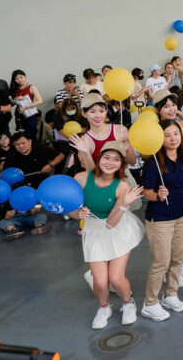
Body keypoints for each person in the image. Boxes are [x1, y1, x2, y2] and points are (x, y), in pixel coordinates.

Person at [70, 141, 145, 329]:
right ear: (99, 159)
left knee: (116, 279)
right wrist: (76, 214)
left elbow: (111, 224)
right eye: (106, 157)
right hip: (93, 231)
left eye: (116, 159)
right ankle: (104, 307)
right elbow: (70, 207)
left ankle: (128, 303)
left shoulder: (122, 187)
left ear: (121, 165)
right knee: (101, 282)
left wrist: (124, 204)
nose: (110, 162)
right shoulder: (80, 178)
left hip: (117, 229)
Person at [139, 119, 183, 321]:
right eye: (167, 135)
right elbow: (145, 192)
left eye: (176, 133)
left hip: (179, 214)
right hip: (160, 218)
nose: (173, 138)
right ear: (160, 138)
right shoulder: (154, 163)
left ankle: (171, 295)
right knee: (161, 262)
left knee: (177, 259)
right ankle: (150, 303)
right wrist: (158, 195)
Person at [70, 93, 136, 170]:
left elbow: (133, 162)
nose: (98, 115)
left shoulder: (120, 130)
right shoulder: (84, 141)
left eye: (101, 111)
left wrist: (123, 151)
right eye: (92, 111)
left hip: (123, 179)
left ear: (106, 111)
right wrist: (86, 153)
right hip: (100, 181)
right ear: (84, 114)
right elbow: (90, 174)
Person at [9, 70, 43, 138]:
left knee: (31, 134)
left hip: (30, 113)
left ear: (25, 76)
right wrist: (16, 98)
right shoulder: (14, 88)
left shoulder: (31, 87)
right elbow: (12, 104)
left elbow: (40, 101)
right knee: (21, 134)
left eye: (21, 77)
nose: (19, 80)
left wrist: (26, 107)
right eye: (16, 78)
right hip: (19, 114)